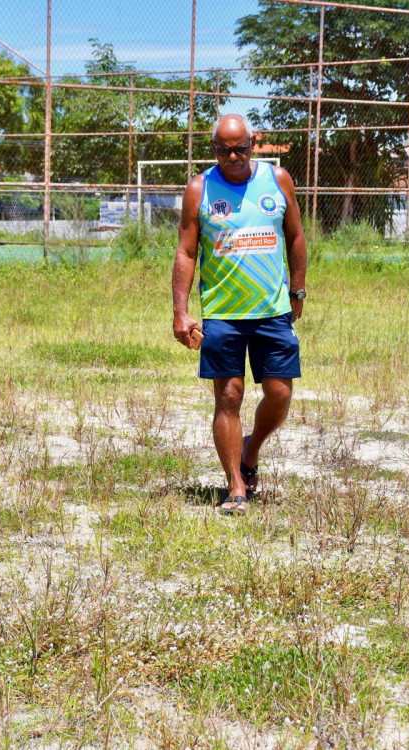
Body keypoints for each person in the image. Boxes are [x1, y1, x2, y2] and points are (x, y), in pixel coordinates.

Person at [172, 113, 307, 515]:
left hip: (272, 310)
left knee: (280, 392)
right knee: (228, 396)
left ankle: (251, 450)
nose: (232, 156)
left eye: (240, 148)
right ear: (213, 149)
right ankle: (235, 487)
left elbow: (296, 236)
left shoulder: (278, 180)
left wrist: (297, 289)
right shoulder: (200, 188)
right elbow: (186, 252)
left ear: (254, 142)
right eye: (223, 149)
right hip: (223, 313)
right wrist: (181, 312)